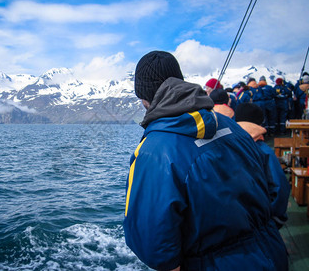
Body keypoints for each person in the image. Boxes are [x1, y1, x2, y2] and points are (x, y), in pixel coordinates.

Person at [123, 50, 288, 271]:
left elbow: (153, 246)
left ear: (143, 98)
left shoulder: (153, 152)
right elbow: (272, 184)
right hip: (271, 252)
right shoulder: (230, 125)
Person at [235, 102, 290, 228]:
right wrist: (275, 217)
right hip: (261, 220)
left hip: (235, 221)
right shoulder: (264, 152)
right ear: (260, 123)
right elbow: (279, 186)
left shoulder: (225, 146)